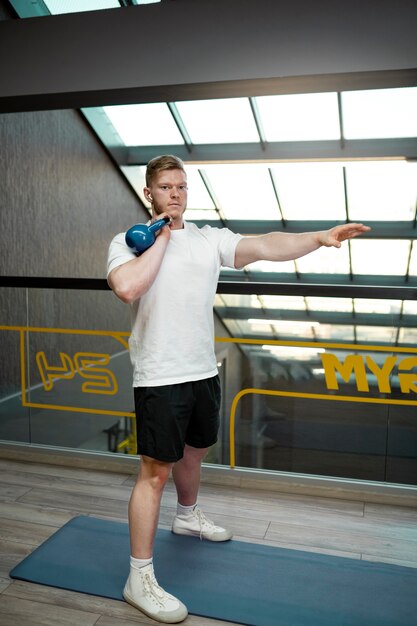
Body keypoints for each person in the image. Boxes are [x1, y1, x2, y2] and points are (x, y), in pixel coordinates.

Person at [107, 154, 370, 623]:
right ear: (150, 193)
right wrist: (161, 237)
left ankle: (187, 517)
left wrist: (318, 238)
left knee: (194, 452)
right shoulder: (130, 244)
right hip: (160, 375)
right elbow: (128, 288)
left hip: (202, 370)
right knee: (154, 473)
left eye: (182, 187)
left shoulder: (210, 241)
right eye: (166, 187)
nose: (176, 194)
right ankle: (138, 576)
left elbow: (267, 244)